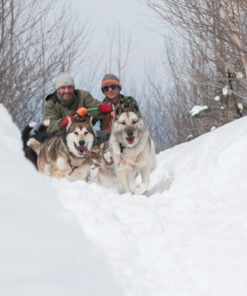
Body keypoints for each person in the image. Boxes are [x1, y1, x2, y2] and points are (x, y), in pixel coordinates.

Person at [43, 72, 111, 134]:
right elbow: (48, 127)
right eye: (63, 88)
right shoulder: (51, 103)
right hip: (60, 138)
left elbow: (94, 106)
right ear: (58, 90)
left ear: (74, 88)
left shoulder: (83, 96)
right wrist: (62, 123)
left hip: (84, 134)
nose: (67, 91)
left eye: (70, 87)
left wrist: (102, 109)